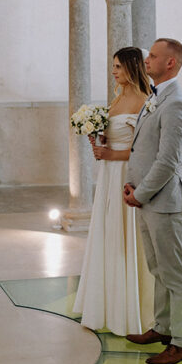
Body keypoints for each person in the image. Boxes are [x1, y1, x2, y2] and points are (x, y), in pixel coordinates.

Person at [72, 47, 155, 336]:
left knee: (127, 236)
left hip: (126, 175)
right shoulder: (118, 97)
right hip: (109, 175)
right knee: (109, 234)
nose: (114, 71)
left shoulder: (145, 101)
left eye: (118, 66)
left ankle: (132, 308)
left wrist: (111, 155)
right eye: (113, 66)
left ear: (132, 68)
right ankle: (107, 302)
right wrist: (100, 139)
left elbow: (143, 151)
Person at [123, 39, 182, 364]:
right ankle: (162, 327)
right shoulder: (155, 97)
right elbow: (143, 148)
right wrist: (132, 183)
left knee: (175, 273)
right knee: (157, 268)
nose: (146, 59)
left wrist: (139, 194)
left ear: (170, 63)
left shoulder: (176, 103)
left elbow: (167, 161)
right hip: (147, 198)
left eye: (153, 55)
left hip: (163, 202)